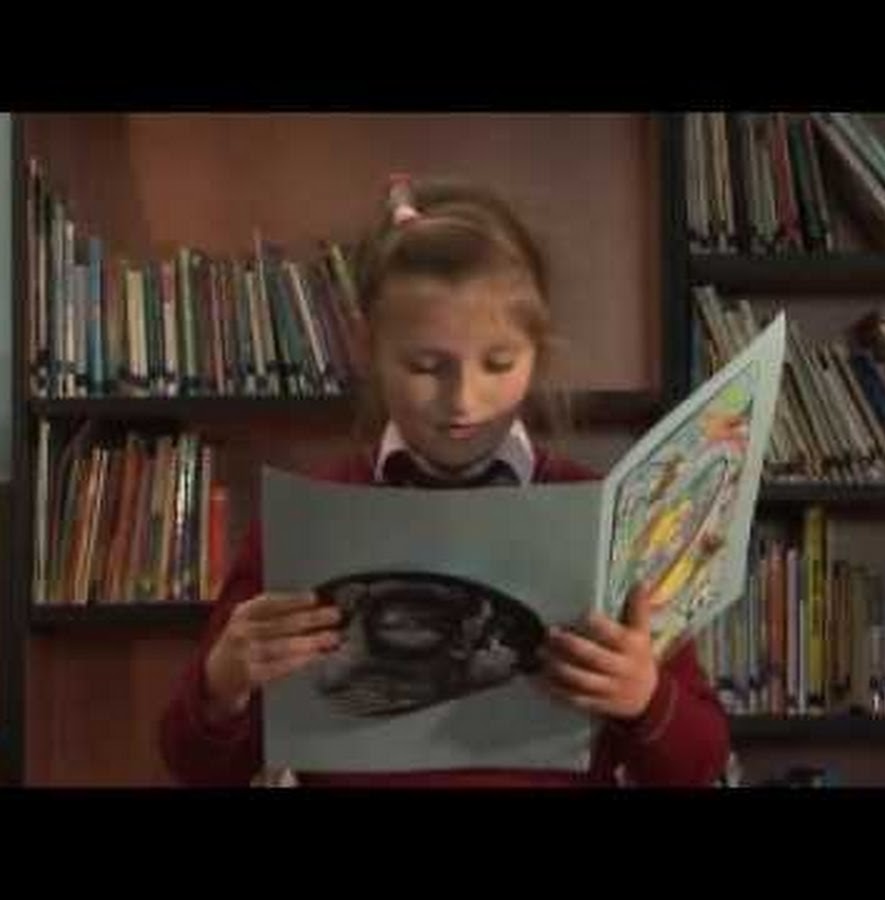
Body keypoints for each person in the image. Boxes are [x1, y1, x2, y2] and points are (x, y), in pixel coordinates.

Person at [158, 174, 730, 787]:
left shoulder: (607, 518)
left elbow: (699, 763)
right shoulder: (308, 521)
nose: (463, 400)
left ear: (537, 352)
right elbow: (197, 767)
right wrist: (224, 682)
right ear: (368, 348)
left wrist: (646, 698)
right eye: (426, 366)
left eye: (498, 364)